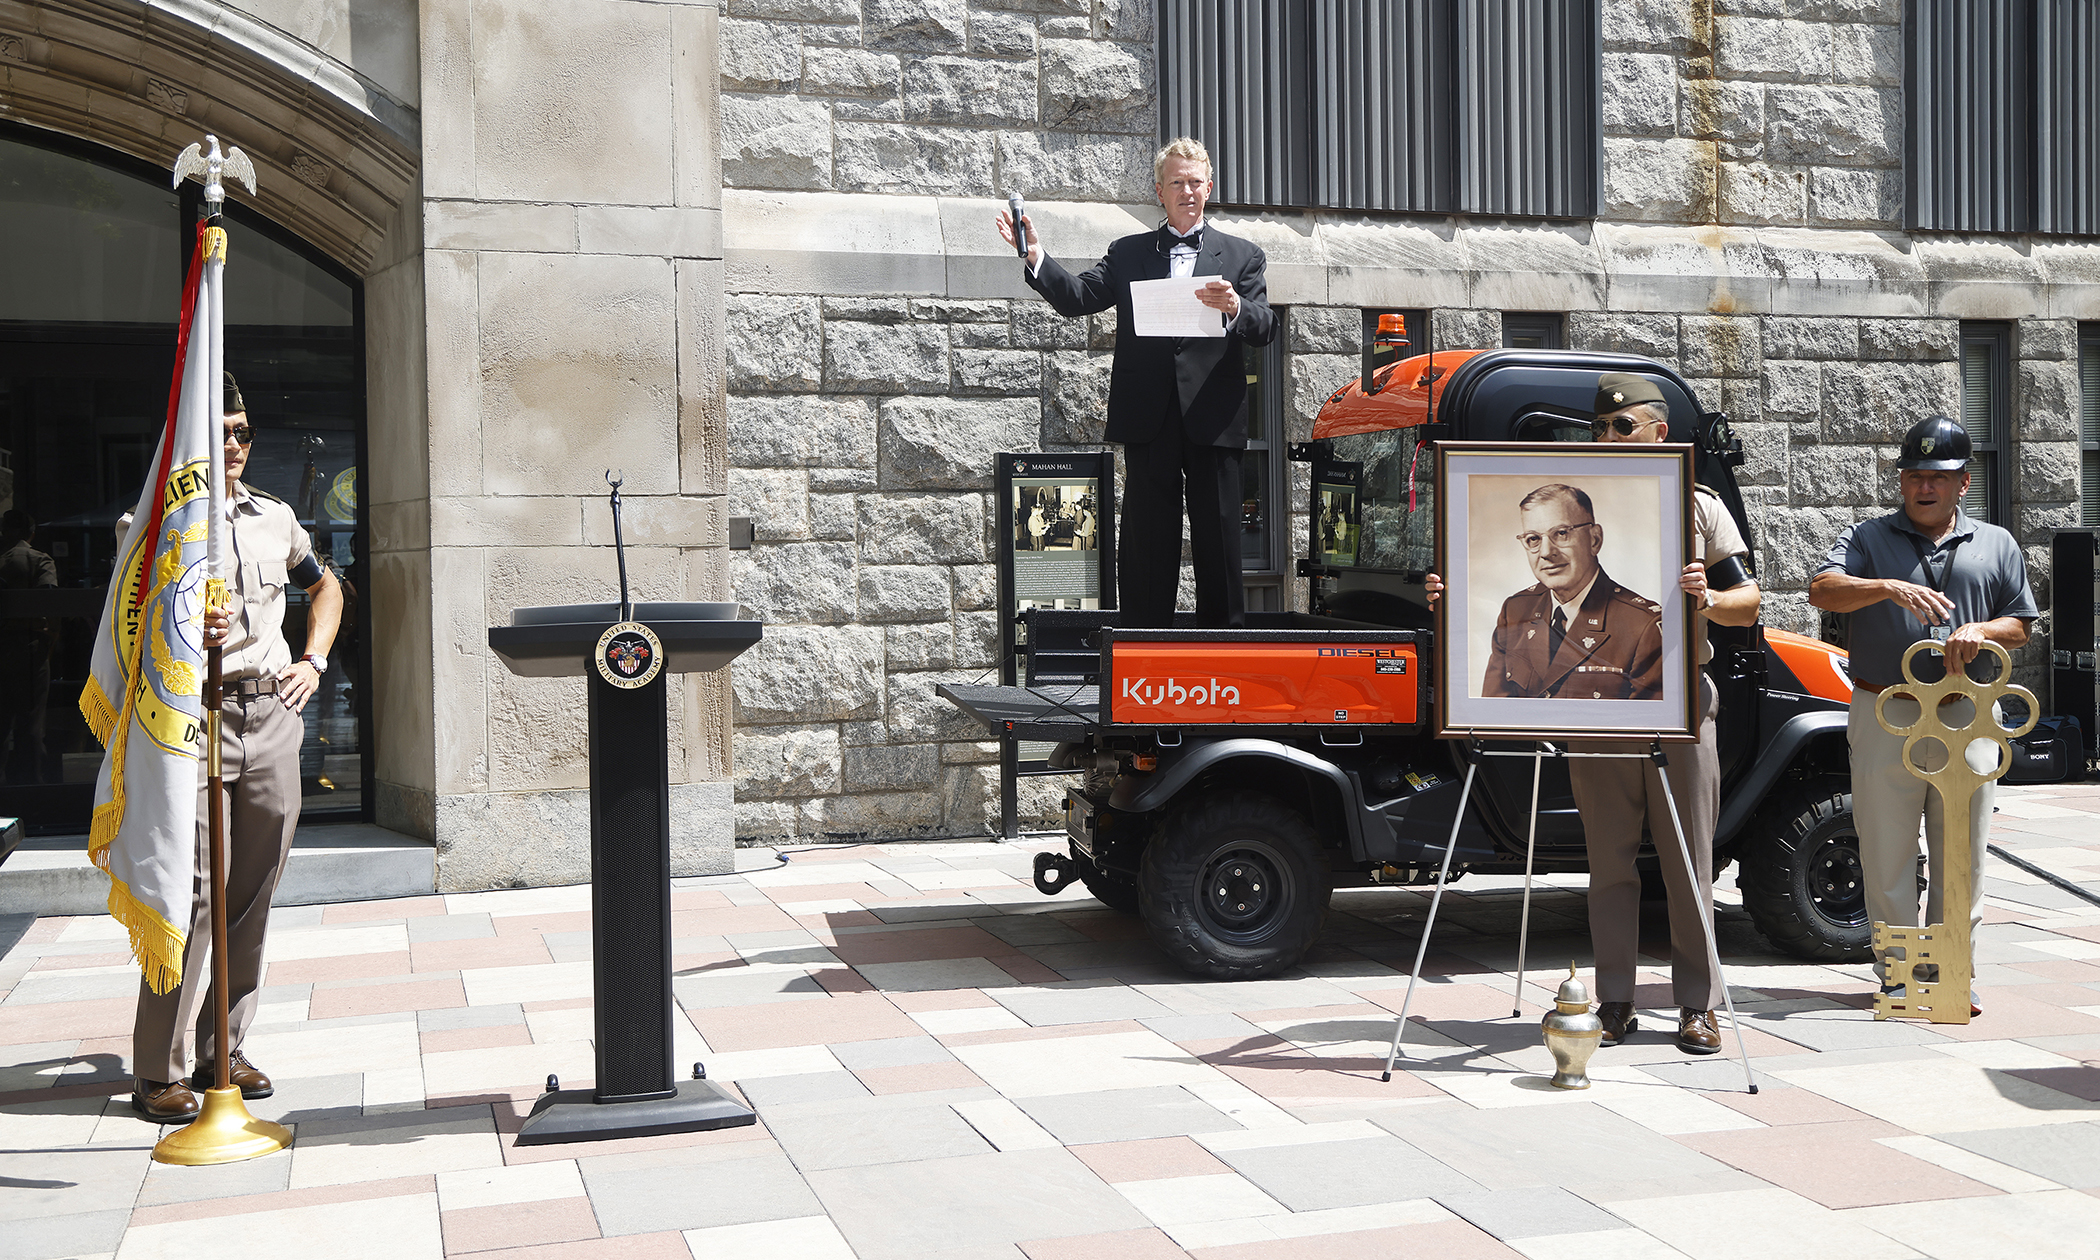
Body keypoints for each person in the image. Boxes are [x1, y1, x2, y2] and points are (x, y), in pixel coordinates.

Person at [1432, 374, 1761, 1053]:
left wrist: (1707, 598)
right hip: (1598, 718)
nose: (1607, 439)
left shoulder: (1696, 506)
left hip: (1679, 708)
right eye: (1599, 430)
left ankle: (1696, 1006)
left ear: (1659, 433)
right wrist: (1451, 596)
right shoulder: (1525, 596)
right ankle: (1614, 1001)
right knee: (1608, 864)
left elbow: (1750, 602)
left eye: (1623, 427)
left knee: (1686, 863)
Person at [132, 372, 344, 1121]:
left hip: (269, 714)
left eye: (243, 433)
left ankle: (224, 1045)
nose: (233, 445)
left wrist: (312, 663)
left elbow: (327, 589)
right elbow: (131, 628)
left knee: (251, 894)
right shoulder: (158, 522)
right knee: (190, 893)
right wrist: (188, 629)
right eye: (220, 432)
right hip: (192, 720)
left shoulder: (274, 518)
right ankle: (158, 1067)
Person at [1808, 414, 2035, 1016]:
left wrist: (1981, 630)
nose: (1924, 487)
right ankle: (1900, 975)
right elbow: (1823, 590)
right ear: (1901, 481)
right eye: (1913, 476)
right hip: (1888, 709)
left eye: (1937, 477)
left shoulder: (1996, 543)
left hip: (1967, 713)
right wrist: (1884, 588)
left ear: (1963, 482)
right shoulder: (1868, 538)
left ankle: (1952, 967)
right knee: (1886, 850)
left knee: (1963, 848)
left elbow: (2021, 624)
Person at [997, 137, 1276, 627]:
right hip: (1150, 418)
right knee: (1147, 544)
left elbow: (1266, 326)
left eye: (1195, 182)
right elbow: (1080, 297)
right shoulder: (1127, 253)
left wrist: (1235, 307)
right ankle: (1144, 650)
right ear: (1158, 191)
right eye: (1176, 183)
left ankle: (1223, 656)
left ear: (1209, 188)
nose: (1187, 191)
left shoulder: (1243, 256)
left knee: (1220, 540)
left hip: (1214, 417)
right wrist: (1037, 256)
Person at [1480, 482, 1666, 701]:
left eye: (1561, 533)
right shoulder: (1515, 610)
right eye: (1533, 539)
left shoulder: (1643, 625)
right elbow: (1494, 716)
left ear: (1594, 540)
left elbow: (1644, 728)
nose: (1547, 552)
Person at [0, 509, 60, 784]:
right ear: (32, 533)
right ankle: (31, 785)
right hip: (30, 647)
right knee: (32, 722)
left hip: (4, 646)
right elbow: (48, 601)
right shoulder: (39, 560)